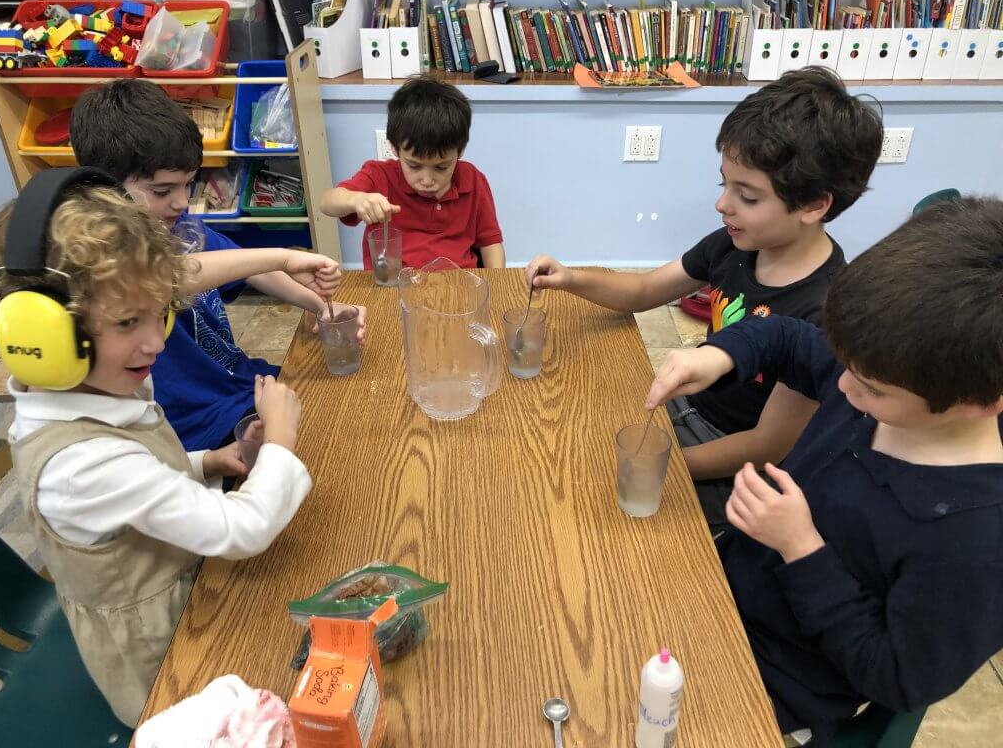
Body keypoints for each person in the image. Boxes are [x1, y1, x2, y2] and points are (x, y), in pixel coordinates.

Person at [0, 172, 339, 726]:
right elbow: (239, 531)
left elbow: (135, 494)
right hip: (162, 664)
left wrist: (204, 464)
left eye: (159, 311)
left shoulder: (88, 395)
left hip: (182, 589)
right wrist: (281, 444)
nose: (155, 340)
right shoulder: (79, 463)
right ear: (42, 335)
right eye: (127, 322)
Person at [644, 196, 1003, 745]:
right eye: (845, 362)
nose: (842, 387)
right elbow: (786, 337)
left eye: (872, 390)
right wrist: (721, 355)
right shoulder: (888, 366)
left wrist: (801, 548)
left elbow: (898, 678)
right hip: (719, 591)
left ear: (980, 402)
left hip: (773, 688)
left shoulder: (976, 541)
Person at [525, 67, 882, 529]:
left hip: (735, 461)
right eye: (724, 185)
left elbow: (767, 445)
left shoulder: (826, 309)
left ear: (815, 205)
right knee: (565, 440)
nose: (723, 205)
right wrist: (572, 277)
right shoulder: (733, 244)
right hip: (685, 407)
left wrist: (669, 466)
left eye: (747, 196)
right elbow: (643, 291)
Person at [69, 79, 365, 451]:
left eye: (188, 185)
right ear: (104, 188)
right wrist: (285, 256)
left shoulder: (180, 226)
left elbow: (247, 267)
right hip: (195, 423)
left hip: (235, 383)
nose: (181, 202)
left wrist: (321, 308)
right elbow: (175, 276)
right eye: (163, 191)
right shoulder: (104, 258)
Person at [320, 75, 505, 269]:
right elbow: (327, 202)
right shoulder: (379, 176)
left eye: (441, 167)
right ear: (394, 148)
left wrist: (495, 288)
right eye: (414, 166)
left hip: (459, 286)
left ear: (460, 152)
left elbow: (490, 243)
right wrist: (356, 200)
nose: (427, 180)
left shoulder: (473, 179)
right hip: (394, 287)